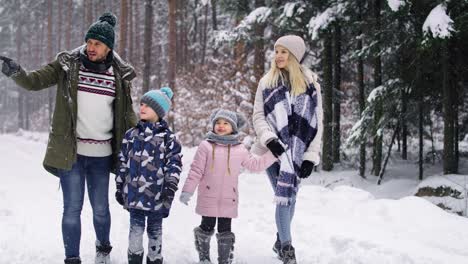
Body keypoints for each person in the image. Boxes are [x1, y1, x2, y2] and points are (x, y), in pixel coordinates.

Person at [0, 12, 137, 264]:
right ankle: (71, 258)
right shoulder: (68, 65)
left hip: (102, 155)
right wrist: (15, 71)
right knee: (72, 210)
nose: (91, 47)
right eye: (89, 42)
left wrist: (143, 135)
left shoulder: (119, 76)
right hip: (70, 153)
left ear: (108, 48)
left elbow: (127, 115)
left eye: (97, 43)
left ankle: (103, 249)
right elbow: (34, 81)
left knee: (101, 210)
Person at [252, 35, 323, 264]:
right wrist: (269, 138)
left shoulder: (311, 84)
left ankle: (279, 239)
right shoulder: (267, 82)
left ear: (294, 55)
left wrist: (311, 157)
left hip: (298, 152)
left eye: (284, 52)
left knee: (290, 197)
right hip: (273, 151)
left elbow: (317, 122)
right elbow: (258, 116)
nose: (279, 56)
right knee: (284, 198)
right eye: (276, 51)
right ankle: (286, 247)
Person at [179, 108, 277, 264]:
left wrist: (273, 154)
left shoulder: (239, 149)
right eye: (218, 122)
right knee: (207, 226)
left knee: (225, 230)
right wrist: (187, 191)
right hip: (208, 196)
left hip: (228, 198)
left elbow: (255, 165)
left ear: (234, 127)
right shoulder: (205, 146)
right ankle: (204, 257)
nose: (221, 126)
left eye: (226, 123)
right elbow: (196, 171)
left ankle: (224, 260)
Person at [115, 87, 182, 264]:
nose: (142, 108)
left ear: (159, 111)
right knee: (135, 233)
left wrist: (170, 187)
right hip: (135, 196)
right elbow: (123, 162)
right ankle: (134, 259)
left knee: (155, 233)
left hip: (157, 197)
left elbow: (174, 164)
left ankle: (155, 259)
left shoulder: (168, 138)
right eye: (142, 104)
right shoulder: (131, 135)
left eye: (148, 105)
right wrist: (119, 185)